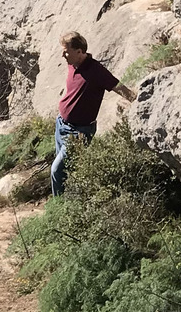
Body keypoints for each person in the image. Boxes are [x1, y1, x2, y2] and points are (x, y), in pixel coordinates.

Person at [50, 33, 128, 196]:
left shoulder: (95, 70)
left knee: (57, 170)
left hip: (79, 131)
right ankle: (69, 200)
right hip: (61, 125)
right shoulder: (72, 65)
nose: (63, 55)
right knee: (66, 171)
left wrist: (136, 100)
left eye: (66, 51)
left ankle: (57, 208)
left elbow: (117, 86)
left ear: (79, 52)